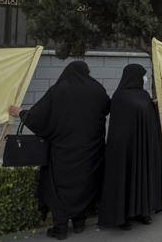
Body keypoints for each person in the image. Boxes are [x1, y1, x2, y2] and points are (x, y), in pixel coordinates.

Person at [9, 61, 110, 240]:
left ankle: (60, 229)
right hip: (89, 153)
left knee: (59, 189)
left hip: (63, 154)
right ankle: (79, 224)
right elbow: (108, 108)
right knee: (83, 186)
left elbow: (40, 118)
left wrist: (21, 113)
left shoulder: (59, 90)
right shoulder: (97, 89)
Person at [98, 64, 162, 230]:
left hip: (142, 148)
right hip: (124, 150)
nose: (145, 78)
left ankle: (143, 212)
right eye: (143, 75)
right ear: (134, 76)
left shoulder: (144, 95)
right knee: (124, 179)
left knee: (142, 176)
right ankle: (123, 217)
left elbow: (148, 117)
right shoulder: (119, 96)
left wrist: (154, 105)